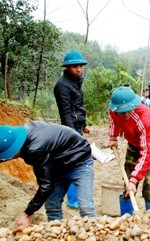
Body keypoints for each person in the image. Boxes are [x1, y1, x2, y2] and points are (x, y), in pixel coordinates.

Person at [0, 121, 96, 232]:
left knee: (86, 207)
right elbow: (45, 179)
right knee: (52, 206)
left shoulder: (35, 148)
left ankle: (94, 235)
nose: (9, 159)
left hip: (80, 161)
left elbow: (46, 185)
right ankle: (55, 235)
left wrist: (27, 214)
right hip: (57, 165)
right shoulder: (24, 137)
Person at [108, 86, 150, 211]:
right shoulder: (113, 110)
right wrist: (113, 137)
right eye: (122, 112)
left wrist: (135, 179)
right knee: (128, 179)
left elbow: (146, 152)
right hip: (134, 142)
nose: (126, 114)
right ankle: (127, 214)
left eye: (129, 110)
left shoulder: (144, 118)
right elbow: (114, 121)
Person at [54, 50, 90, 210]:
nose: (79, 69)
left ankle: (75, 197)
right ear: (67, 67)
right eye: (75, 66)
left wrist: (84, 124)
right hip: (70, 129)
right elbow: (66, 112)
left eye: (80, 66)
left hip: (77, 126)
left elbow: (79, 106)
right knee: (74, 161)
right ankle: (72, 199)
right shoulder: (62, 86)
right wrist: (72, 135)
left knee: (78, 160)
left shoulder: (76, 81)